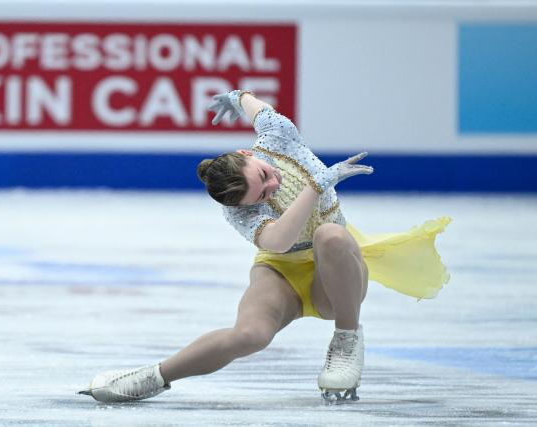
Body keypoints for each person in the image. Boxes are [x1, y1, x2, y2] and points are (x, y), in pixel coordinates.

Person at [79, 90, 451, 404]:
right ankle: (153, 377)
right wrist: (315, 187)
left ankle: (347, 340)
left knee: (330, 235)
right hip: (280, 270)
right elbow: (277, 241)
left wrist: (238, 96)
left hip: (336, 272)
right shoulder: (238, 213)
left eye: (263, 177)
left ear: (247, 153)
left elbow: (259, 109)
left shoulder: (278, 137)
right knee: (249, 335)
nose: (271, 187)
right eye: (260, 195)